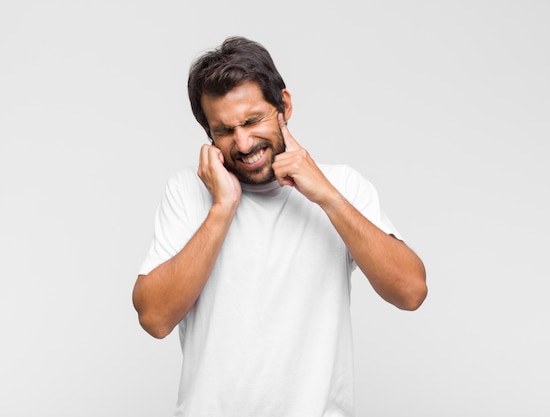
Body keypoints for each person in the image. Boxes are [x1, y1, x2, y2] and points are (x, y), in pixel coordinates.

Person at [133, 36, 427, 417]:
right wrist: (222, 207)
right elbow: (154, 318)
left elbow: (411, 291)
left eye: (252, 120)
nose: (242, 142)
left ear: (283, 106)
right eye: (223, 131)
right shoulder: (189, 191)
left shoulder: (342, 185)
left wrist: (327, 196)